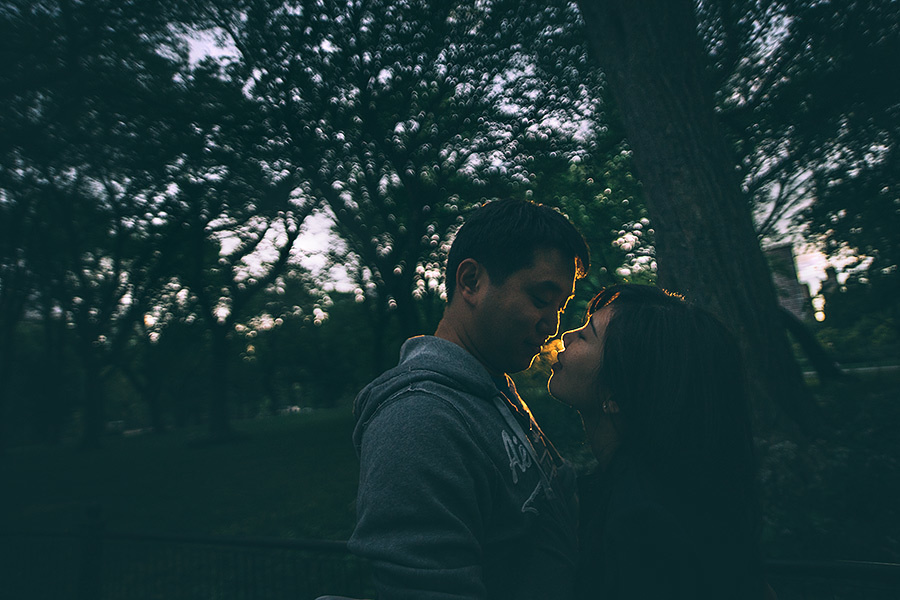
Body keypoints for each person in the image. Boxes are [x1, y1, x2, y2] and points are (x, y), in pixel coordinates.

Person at [347, 198, 590, 600]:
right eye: (541, 299)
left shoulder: (492, 389)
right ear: (471, 282)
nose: (552, 325)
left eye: (560, 307)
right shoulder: (419, 420)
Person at [548, 284, 770, 600]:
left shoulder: (643, 523)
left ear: (616, 393)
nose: (566, 336)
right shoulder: (677, 489)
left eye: (585, 335)